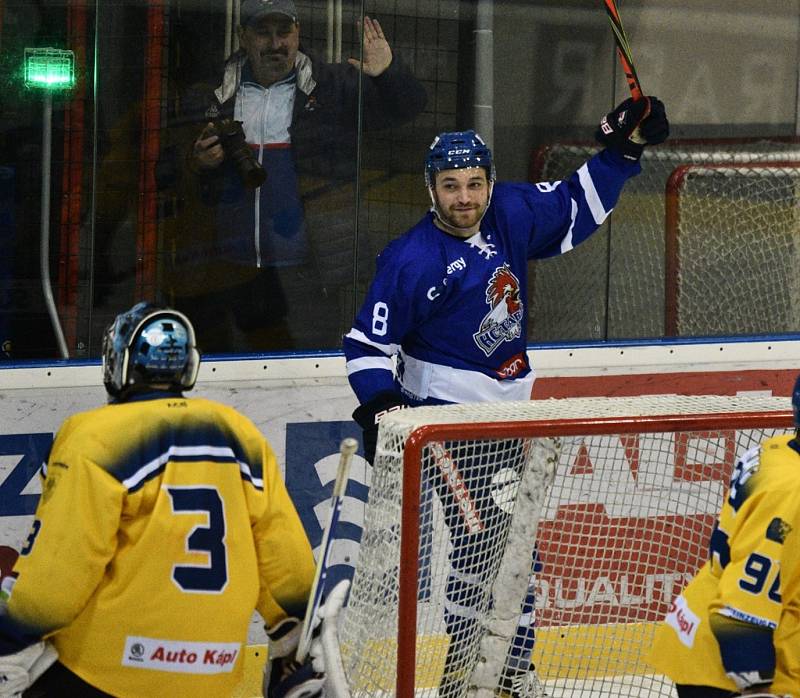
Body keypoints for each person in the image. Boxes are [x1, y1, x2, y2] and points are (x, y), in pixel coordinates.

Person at [343, 98, 670, 695]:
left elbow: (575, 206)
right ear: (430, 189)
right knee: (492, 547)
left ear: (489, 182)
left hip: (512, 416)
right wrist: (385, 408)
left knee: (509, 549)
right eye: (450, 186)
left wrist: (624, 151)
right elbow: (365, 344)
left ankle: (487, 672)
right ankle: (493, 674)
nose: (464, 198)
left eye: (474, 183)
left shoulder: (511, 211)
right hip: (450, 423)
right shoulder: (410, 259)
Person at [0, 301, 322, 697]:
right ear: (188, 365)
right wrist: (295, 632)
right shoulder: (239, 432)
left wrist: (10, 635)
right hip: (215, 670)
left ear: (117, 361)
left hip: (112, 669)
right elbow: (280, 553)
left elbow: (60, 573)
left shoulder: (93, 436)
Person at [156, 0, 427, 353]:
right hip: (225, 271)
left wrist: (388, 73)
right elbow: (163, 172)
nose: (275, 44)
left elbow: (408, 108)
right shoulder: (209, 96)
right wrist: (195, 163)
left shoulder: (334, 87)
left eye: (284, 32)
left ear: (297, 33)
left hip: (308, 276)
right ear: (242, 37)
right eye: (263, 33)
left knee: (306, 371)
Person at [646, 379, 800, 698]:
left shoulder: (777, 450)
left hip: (704, 626)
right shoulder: (792, 496)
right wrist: (759, 689)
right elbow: (742, 612)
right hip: (726, 665)